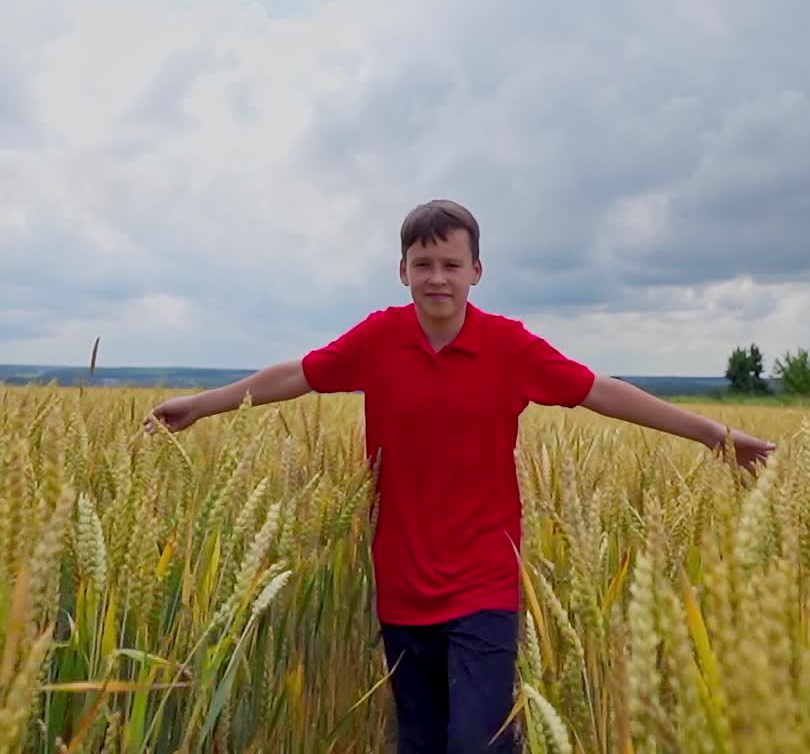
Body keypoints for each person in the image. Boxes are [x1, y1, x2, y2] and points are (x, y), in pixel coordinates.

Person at [146, 199, 775, 752]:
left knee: (476, 741)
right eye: (424, 265)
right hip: (401, 583)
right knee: (421, 742)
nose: (437, 277)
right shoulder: (379, 338)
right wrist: (201, 406)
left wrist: (718, 438)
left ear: (476, 271)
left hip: (485, 581)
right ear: (403, 273)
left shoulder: (510, 347)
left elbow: (601, 392)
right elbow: (295, 376)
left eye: (451, 264)